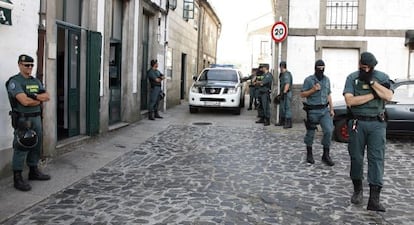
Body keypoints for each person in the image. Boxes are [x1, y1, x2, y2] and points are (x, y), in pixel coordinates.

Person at [343, 52, 393, 212]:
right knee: (356, 157)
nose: (366, 69)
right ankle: (358, 190)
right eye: (363, 67)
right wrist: (374, 95)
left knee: (377, 159)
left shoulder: (382, 77)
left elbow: (388, 96)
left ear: (373, 66)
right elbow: (350, 101)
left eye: (369, 68)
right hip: (357, 122)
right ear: (359, 64)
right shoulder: (352, 78)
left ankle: (374, 199)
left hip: (377, 124)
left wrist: (372, 83)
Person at [6, 54, 51, 191]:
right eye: (27, 65)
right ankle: (17, 177)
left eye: (32, 65)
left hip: (36, 117)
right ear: (19, 65)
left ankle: (33, 170)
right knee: (22, 145)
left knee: (36, 144)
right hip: (23, 119)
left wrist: (35, 96)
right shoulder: (15, 82)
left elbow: (47, 96)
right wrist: (38, 100)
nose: (30, 68)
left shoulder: (35, 81)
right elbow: (23, 101)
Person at [300, 59, 335, 166]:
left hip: (324, 110)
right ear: (315, 68)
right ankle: (309, 153)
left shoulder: (327, 80)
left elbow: (328, 94)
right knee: (310, 133)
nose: (321, 70)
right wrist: (313, 90)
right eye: (319, 68)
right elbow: (302, 94)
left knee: (329, 130)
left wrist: (331, 108)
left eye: (322, 68)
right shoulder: (309, 80)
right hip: (312, 110)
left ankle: (326, 154)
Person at [275, 61, 293, 128]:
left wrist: (284, 93)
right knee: (282, 108)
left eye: (280, 67)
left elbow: (287, 84)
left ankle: (288, 123)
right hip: (283, 93)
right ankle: (282, 121)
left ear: (282, 67)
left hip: (287, 93)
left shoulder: (286, 74)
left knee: (287, 108)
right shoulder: (283, 74)